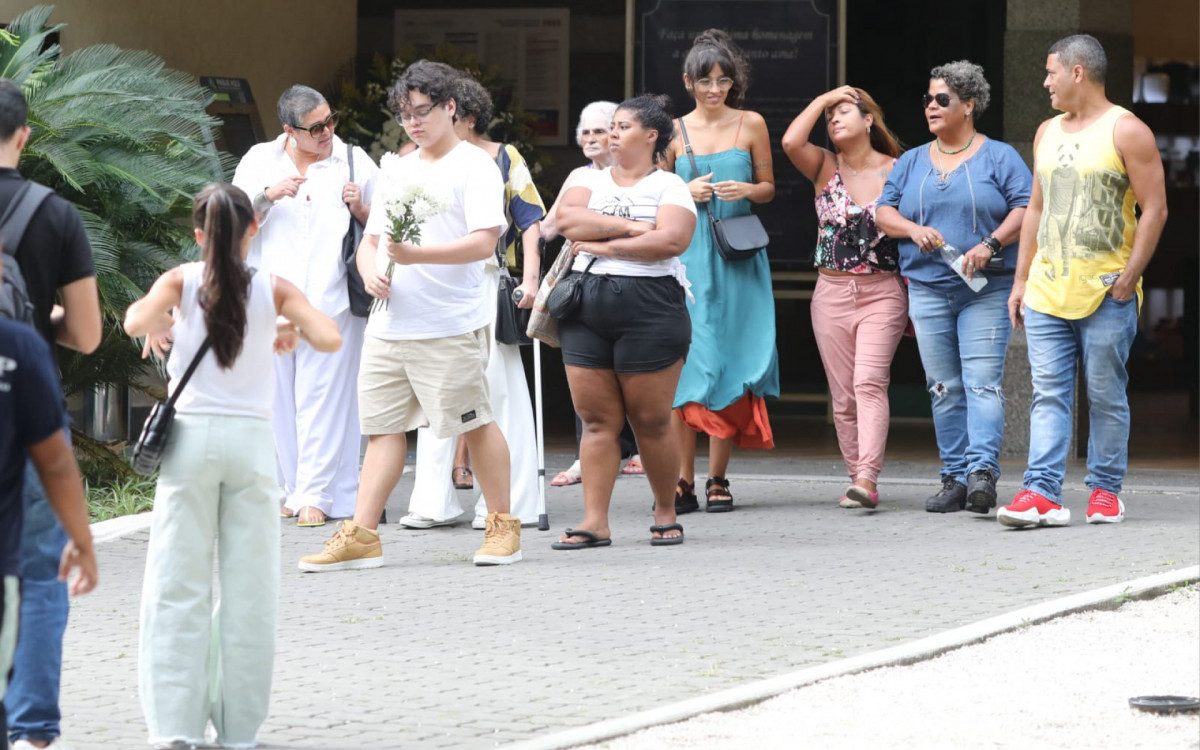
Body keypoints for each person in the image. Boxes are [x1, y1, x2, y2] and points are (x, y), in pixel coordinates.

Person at [124, 183, 341, 748]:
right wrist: (287, 326)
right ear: (252, 229)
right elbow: (332, 337)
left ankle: (176, 729)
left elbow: (132, 322)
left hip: (190, 445)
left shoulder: (180, 279)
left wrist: (157, 322)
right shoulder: (274, 288)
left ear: (199, 235)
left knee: (177, 582)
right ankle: (240, 731)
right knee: (250, 590)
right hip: (250, 447)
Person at [299, 60, 519, 569]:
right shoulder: (397, 166)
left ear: (450, 108)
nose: (414, 124)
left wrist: (418, 257)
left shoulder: (476, 166)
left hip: (449, 323)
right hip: (389, 322)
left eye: (423, 112)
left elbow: (486, 242)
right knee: (382, 429)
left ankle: (503, 526)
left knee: (474, 422)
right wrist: (371, 269)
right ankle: (362, 534)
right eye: (405, 115)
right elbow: (371, 241)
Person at [998, 35, 1168, 529]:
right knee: (1048, 392)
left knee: (1105, 394)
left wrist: (1131, 275)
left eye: (1051, 72)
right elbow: (1035, 208)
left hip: (1105, 290)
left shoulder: (1127, 130)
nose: (1045, 81)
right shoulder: (1046, 131)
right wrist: (1020, 281)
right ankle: (1042, 493)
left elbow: (1155, 208)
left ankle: (1105, 491)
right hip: (1048, 289)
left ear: (1078, 73)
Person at [876, 60, 1032, 515]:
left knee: (982, 384)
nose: (931, 106)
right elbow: (883, 212)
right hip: (927, 287)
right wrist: (910, 229)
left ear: (968, 105)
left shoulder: (999, 156)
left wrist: (991, 242)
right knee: (943, 386)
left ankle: (982, 474)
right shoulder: (910, 160)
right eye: (927, 99)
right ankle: (954, 478)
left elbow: (1026, 207)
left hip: (984, 289)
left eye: (941, 99)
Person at [1, 78, 103, 750]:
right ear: (25, 135)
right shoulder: (54, 214)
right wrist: (46, 322)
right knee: (39, 571)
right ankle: (32, 725)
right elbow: (90, 335)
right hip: (26, 412)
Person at [400, 74, 545, 529]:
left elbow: (530, 220)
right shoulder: (412, 161)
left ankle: (509, 504)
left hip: (483, 282)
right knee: (432, 388)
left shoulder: (501, 156)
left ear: (463, 116)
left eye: (443, 114)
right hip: (425, 284)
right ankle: (431, 503)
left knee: (497, 390)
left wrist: (533, 280)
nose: (424, 124)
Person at [552, 93, 697, 549]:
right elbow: (569, 221)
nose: (611, 134)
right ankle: (595, 521)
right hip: (585, 303)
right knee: (596, 420)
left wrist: (606, 244)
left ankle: (665, 509)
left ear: (650, 135)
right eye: (609, 126)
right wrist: (635, 228)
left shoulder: (669, 185)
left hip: (651, 306)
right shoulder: (584, 178)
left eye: (621, 126)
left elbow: (672, 240)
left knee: (651, 420)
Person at [232, 85, 379, 528]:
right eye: (316, 128)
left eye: (331, 120)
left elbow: (386, 224)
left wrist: (361, 207)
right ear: (289, 131)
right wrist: (268, 196)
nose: (327, 132)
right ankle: (293, 489)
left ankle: (317, 493)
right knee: (278, 401)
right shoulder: (259, 160)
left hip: (330, 298)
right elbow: (230, 220)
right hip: (269, 301)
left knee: (324, 400)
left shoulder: (352, 160)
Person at [664, 29, 778, 514]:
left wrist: (746, 191)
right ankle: (680, 480)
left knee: (733, 361)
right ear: (688, 82)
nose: (716, 89)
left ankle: (717, 478)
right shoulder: (671, 131)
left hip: (739, 258)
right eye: (706, 80)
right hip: (688, 260)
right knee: (689, 367)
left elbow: (770, 187)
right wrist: (683, 193)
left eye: (724, 80)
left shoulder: (751, 123)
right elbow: (656, 197)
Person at [782, 86, 906, 509]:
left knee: (869, 382)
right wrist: (823, 98)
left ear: (869, 119)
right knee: (843, 395)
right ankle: (857, 478)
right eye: (829, 116)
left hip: (881, 291)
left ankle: (868, 476)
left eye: (843, 112)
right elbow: (790, 142)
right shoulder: (824, 166)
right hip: (830, 292)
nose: (834, 120)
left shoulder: (899, 168)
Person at [0, 258, 98, 750]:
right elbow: (57, 464)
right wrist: (81, 541)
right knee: (40, 575)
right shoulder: (19, 344)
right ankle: (31, 728)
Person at [542, 100, 643, 487]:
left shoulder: (636, 175)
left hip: (632, 280)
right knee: (587, 377)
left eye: (599, 131)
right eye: (584, 132)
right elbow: (551, 227)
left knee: (632, 372)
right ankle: (590, 458)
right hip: (584, 285)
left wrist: (593, 228)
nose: (590, 138)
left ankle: (634, 449)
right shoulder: (578, 177)